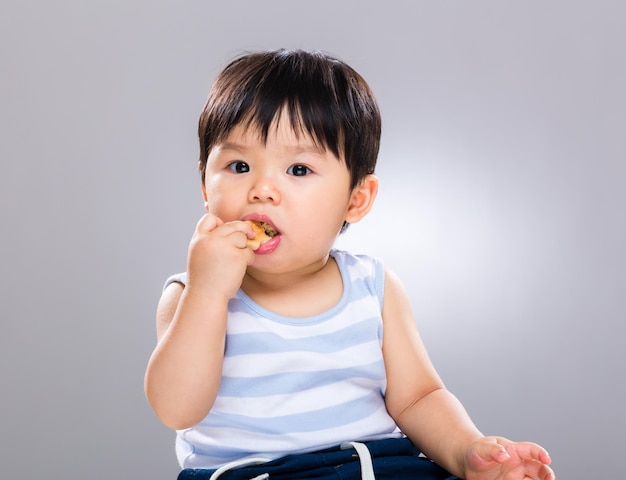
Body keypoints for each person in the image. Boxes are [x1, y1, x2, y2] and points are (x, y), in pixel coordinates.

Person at [144, 49, 555, 480]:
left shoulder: (372, 287)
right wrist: (209, 293)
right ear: (205, 188)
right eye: (239, 166)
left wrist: (466, 451)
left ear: (356, 200)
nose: (262, 190)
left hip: (374, 464)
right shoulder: (190, 294)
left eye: (298, 169)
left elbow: (418, 398)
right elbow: (177, 409)